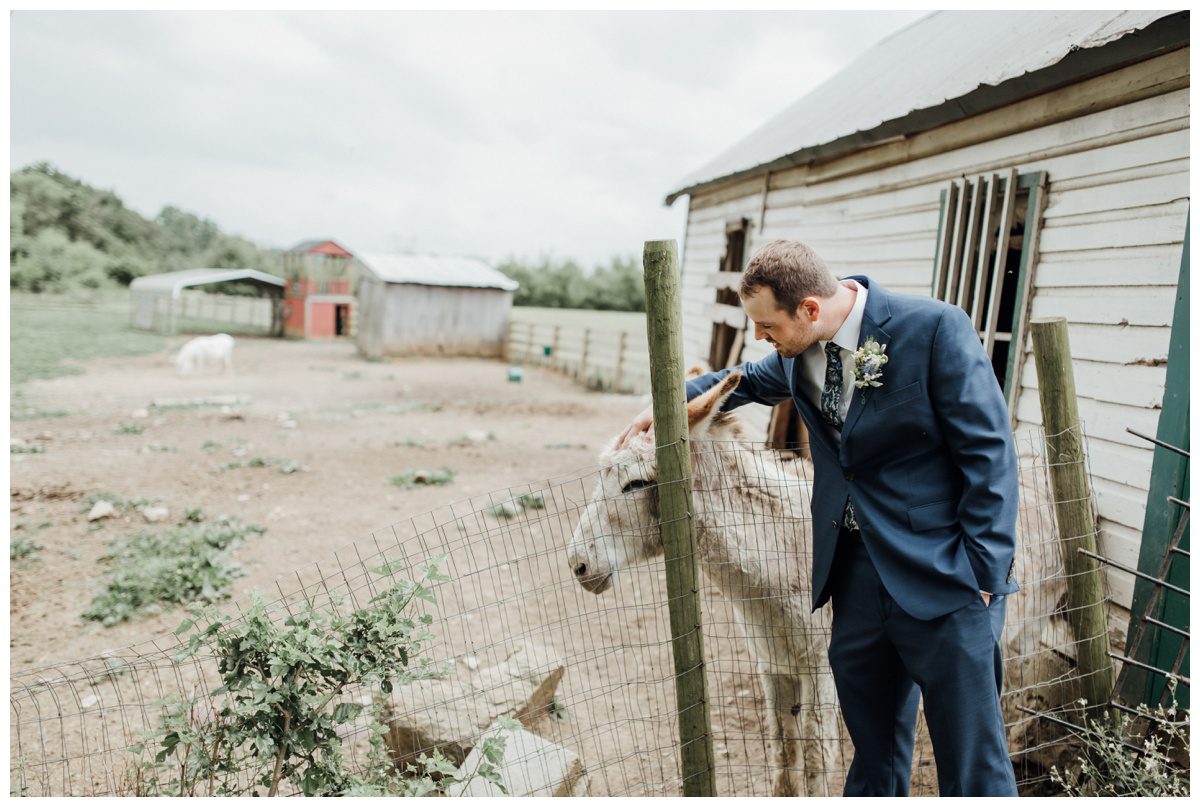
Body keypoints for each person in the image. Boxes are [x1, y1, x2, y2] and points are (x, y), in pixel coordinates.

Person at [618, 239, 1020, 796]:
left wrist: (984, 574)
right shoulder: (798, 349)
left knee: (973, 766)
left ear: (809, 307)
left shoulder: (933, 329)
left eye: (767, 325)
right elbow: (748, 381)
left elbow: (990, 455)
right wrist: (661, 406)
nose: (761, 338)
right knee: (874, 757)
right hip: (853, 582)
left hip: (945, 578)